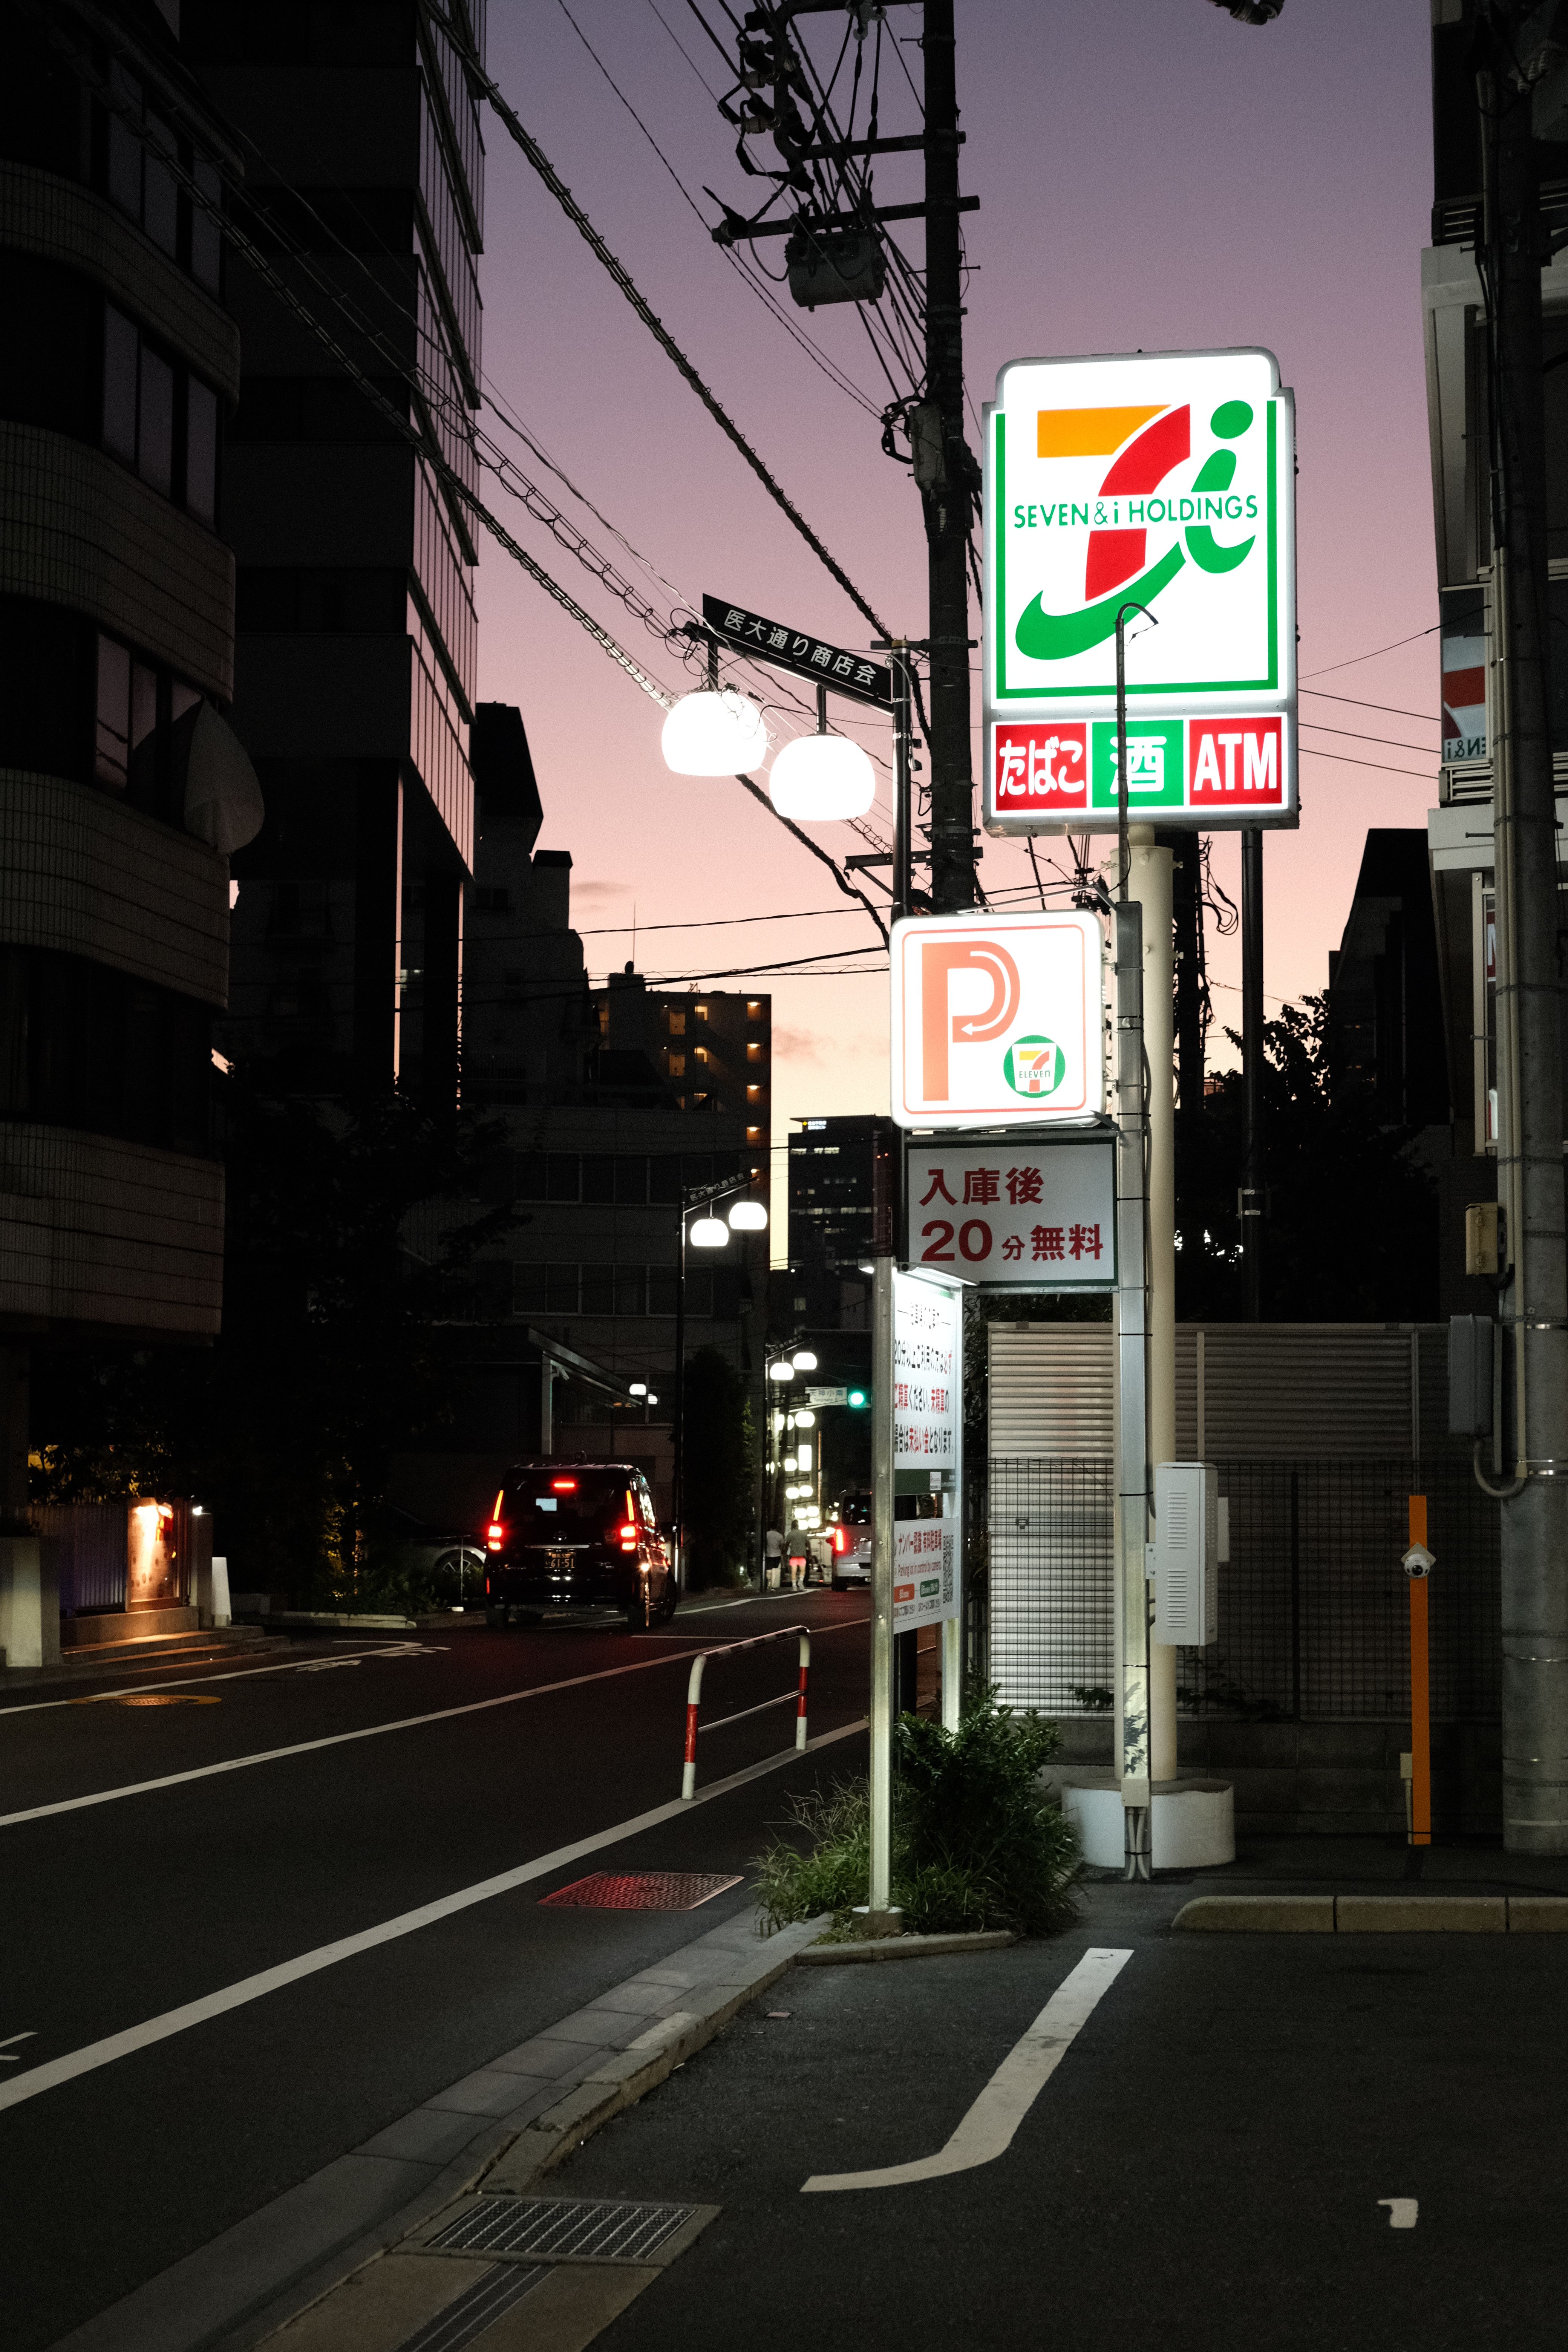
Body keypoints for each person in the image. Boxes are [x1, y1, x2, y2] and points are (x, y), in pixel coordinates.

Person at [785, 1524, 809, 1591]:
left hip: (793, 1556)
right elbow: (808, 1543)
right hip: (802, 1556)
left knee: (794, 1571)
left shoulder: (790, 1534)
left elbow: (787, 1544)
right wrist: (809, 1553)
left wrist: (786, 1553)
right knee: (803, 1570)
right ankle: (801, 1581)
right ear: (798, 1526)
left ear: (793, 1527)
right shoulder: (804, 1534)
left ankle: (794, 1586)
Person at [763, 1525, 784, 1591]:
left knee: (768, 1570)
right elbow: (782, 1546)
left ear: (771, 1527)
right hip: (777, 1555)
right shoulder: (780, 1536)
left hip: (769, 1554)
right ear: (776, 1528)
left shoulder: (767, 1534)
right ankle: (772, 1585)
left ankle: (768, 1582)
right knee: (774, 1570)